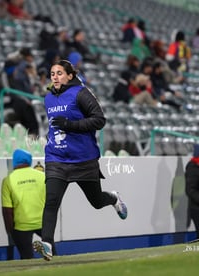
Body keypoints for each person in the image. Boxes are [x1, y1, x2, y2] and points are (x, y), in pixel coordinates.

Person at [33, 60, 128, 261]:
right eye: (52, 73)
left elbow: (99, 120)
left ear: (70, 75)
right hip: (56, 158)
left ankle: (113, 198)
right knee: (51, 201)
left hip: (83, 160)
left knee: (96, 201)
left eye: (59, 73)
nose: (55, 77)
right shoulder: (48, 97)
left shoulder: (81, 93)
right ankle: (47, 244)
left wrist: (70, 124)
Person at [1, 149, 46, 259]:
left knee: (27, 258)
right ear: (29, 160)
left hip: (21, 226)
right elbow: (52, 201)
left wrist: (10, 232)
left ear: (14, 162)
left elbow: (7, 210)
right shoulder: (42, 176)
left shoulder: (8, 180)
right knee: (51, 257)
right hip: (43, 222)